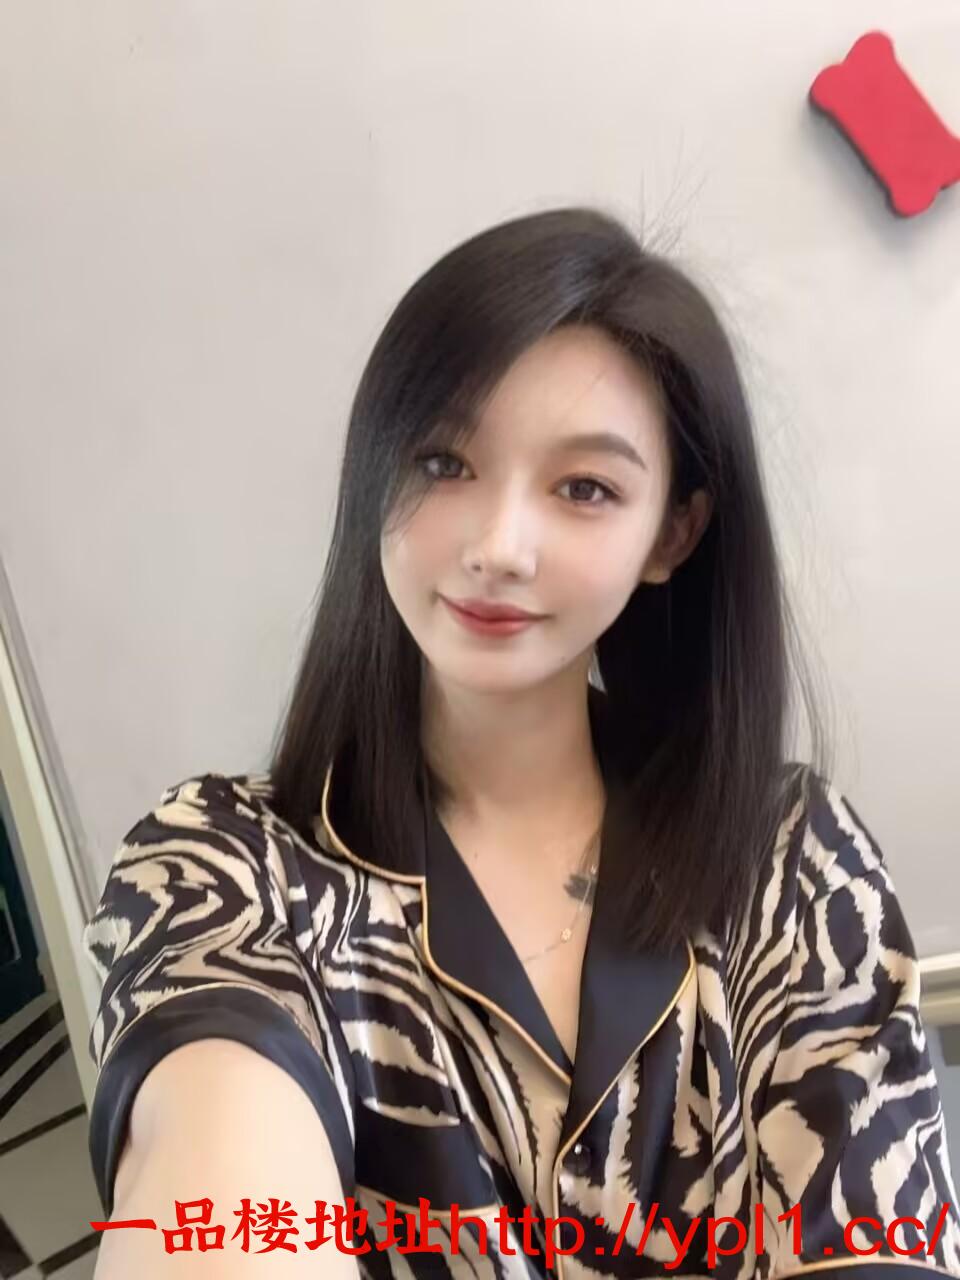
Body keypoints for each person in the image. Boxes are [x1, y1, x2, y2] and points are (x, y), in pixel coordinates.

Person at [83, 206, 960, 1279]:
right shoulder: (226, 861)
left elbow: (878, 1235)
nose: (499, 545)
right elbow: (216, 1177)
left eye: (585, 488)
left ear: (672, 532)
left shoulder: (788, 855)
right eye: (443, 461)